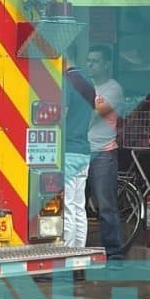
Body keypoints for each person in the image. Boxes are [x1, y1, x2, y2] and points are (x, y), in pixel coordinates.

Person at [85, 44, 125, 263]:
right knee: (75, 204)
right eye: (88, 61)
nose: (90, 65)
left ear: (106, 64)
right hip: (82, 152)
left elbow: (96, 113)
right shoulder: (86, 86)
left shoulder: (113, 88)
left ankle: (114, 253)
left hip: (103, 153)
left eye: (95, 61)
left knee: (106, 206)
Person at [62, 53, 95, 250]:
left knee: (67, 207)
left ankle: (66, 252)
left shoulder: (67, 82)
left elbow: (63, 114)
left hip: (68, 151)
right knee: (78, 206)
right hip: (83, 150)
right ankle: (79, 252)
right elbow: (92, 117)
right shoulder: (88, 82)